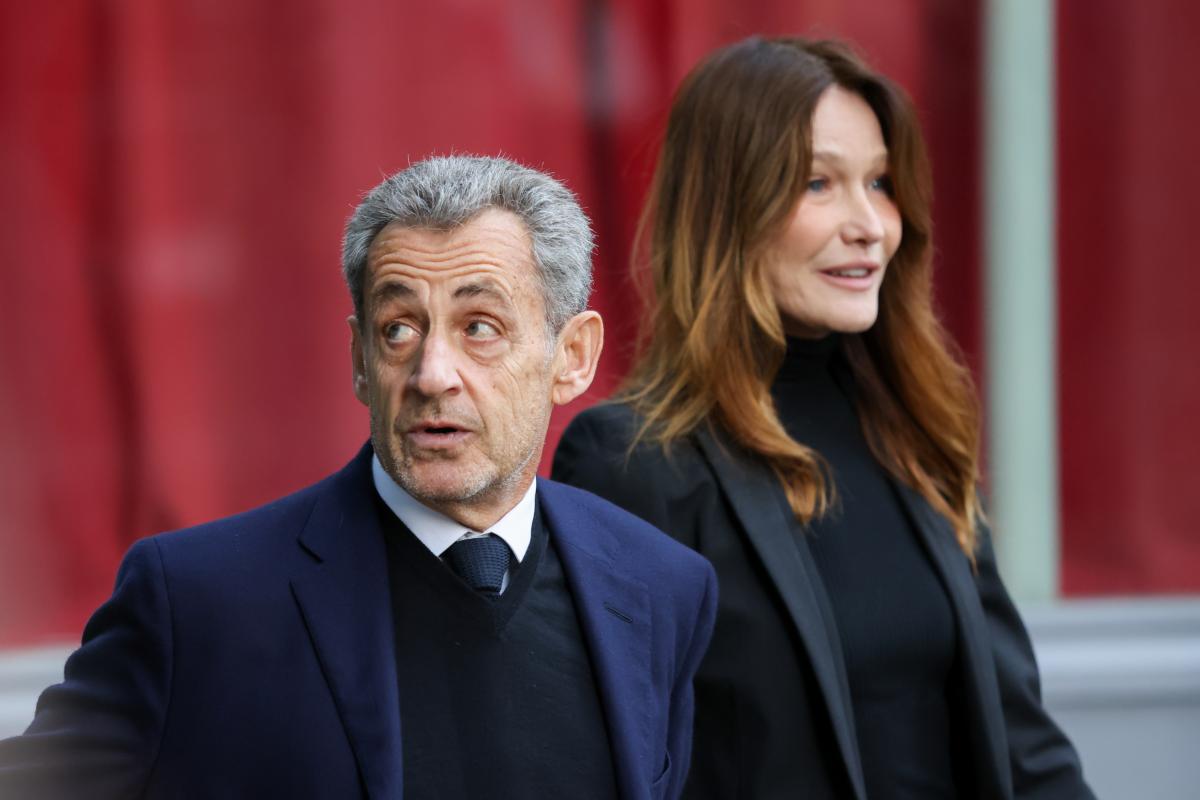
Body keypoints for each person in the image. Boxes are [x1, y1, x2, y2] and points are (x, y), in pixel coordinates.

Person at [0, 155, 717, 799]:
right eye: (399, 328)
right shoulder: (198, 602)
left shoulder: (662, 590)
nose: (432, 374)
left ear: (573, 356)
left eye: (480, 327)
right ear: (359, 360)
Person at [553, 37, 1094, 800]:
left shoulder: (914, 428)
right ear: (727, 208)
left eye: (879, 182)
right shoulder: (634, 461)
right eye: (818, 184)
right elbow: (612, 769)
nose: (870, 224)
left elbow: (1023, 744)